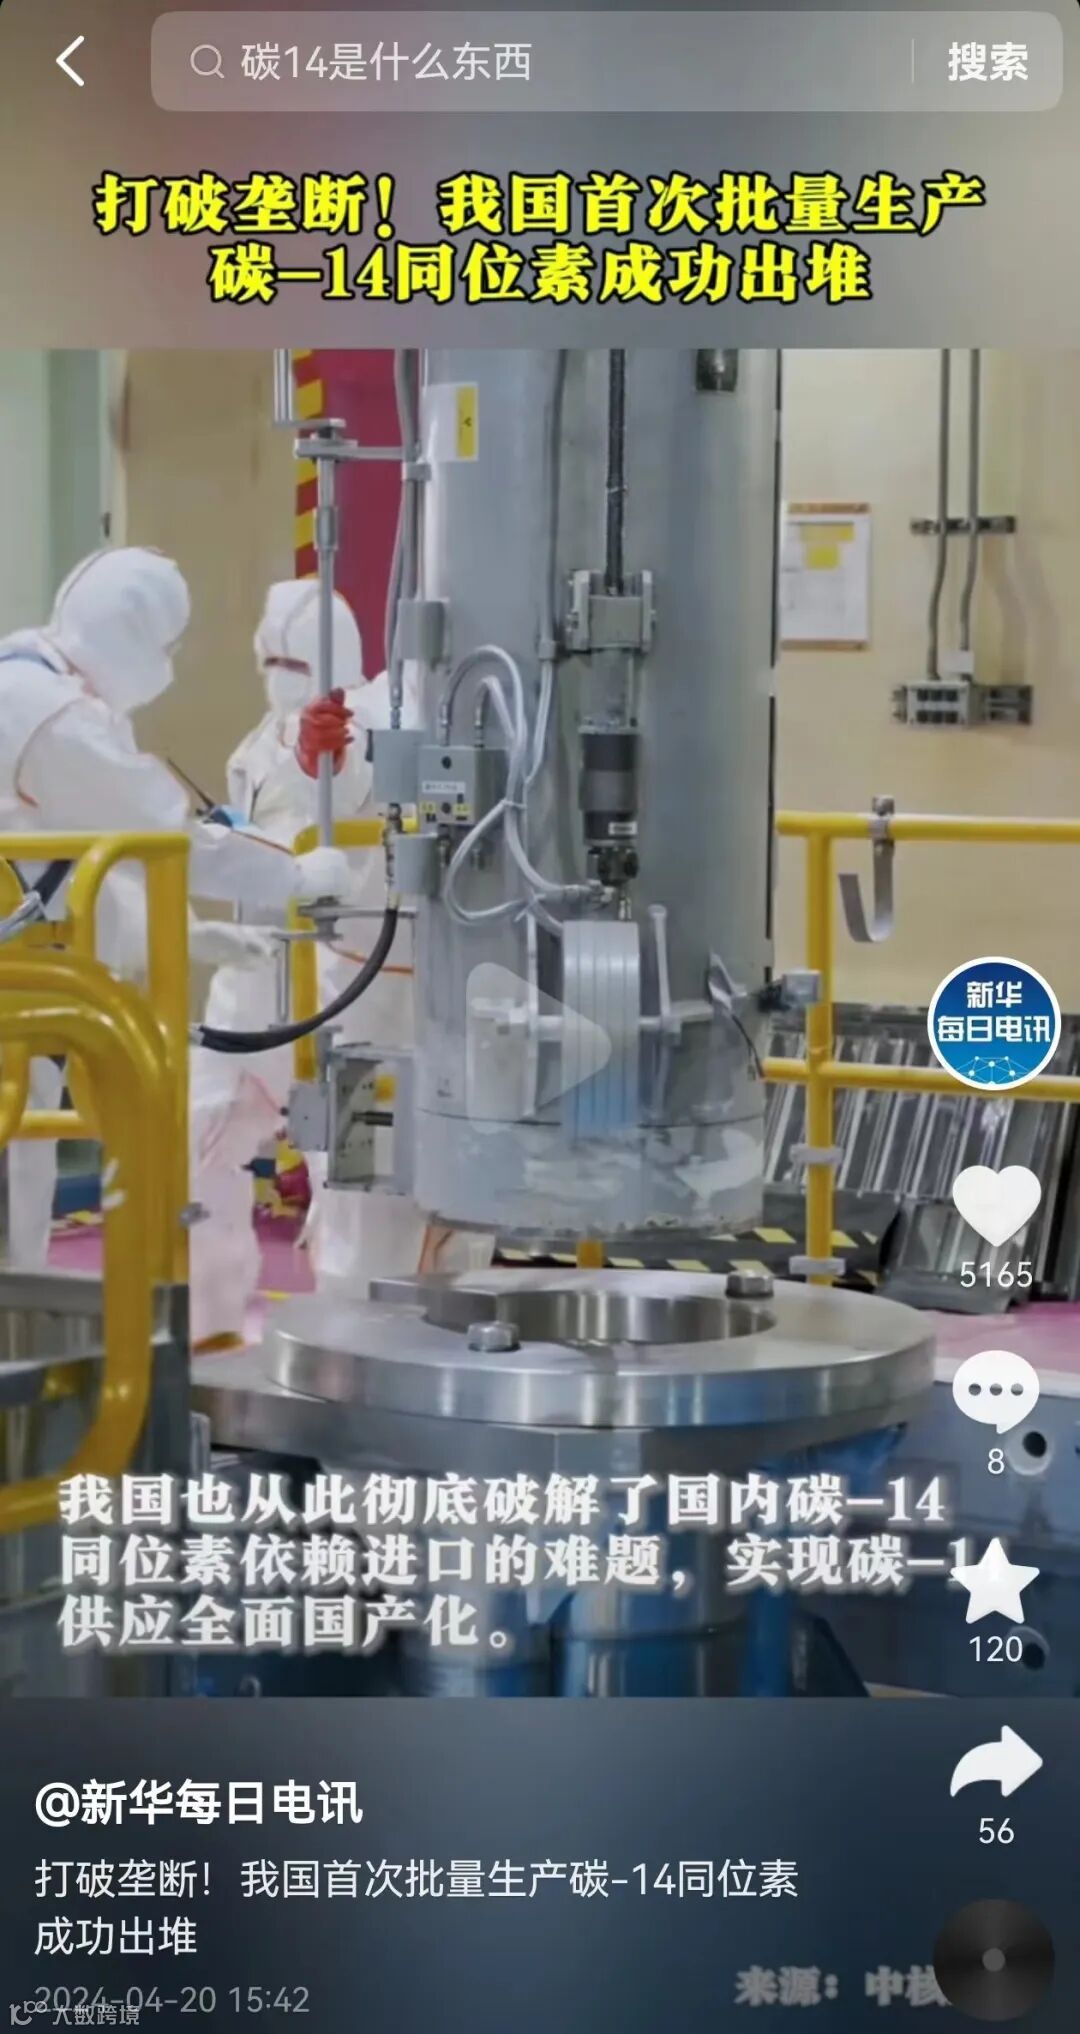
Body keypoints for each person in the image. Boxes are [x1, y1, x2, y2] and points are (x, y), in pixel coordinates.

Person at [0, 546, 348, 1276]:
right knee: (20, 1159)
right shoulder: (54, 717)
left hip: (36, 980)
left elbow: (74, 859)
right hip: (25, 982)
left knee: (27, 1160)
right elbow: (165, 837)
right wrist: (294, 874)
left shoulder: (31, 678)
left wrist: (189, 934)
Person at [189, 578, 493, 1347]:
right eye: (271, 660)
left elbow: (355, 776)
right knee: (204, 1138)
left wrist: (321, 758)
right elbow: (289, 807)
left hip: (386, 990)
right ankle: (212, 1330)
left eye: (292, 661)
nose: (279, 676)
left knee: (379, 1190)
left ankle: (390, 1348)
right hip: (289, 976)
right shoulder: (276, 734)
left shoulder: (403, 708)